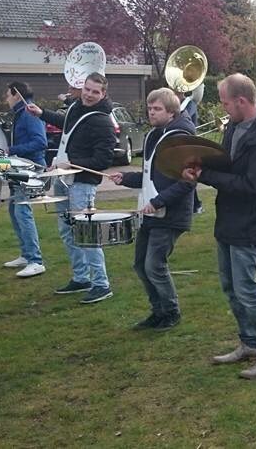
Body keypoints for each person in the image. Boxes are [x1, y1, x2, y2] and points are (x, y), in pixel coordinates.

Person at [182, 73, 256, 380]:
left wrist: (205, 177)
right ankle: (250, 343)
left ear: (241, 101)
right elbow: (227, 164)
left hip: (250, 223)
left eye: (226, 102)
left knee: (248, 290)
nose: (224, 108)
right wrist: (196, 161)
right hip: (228, 219)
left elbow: (251, 186)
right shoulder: (234, 128)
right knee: (231, 288)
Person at [109, 88, 196, 331]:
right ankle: (157, 312)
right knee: (140, 264)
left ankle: (171, 312)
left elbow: (187, 183)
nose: (151, 113)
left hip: (169, 214)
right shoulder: (155, 135)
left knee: (154, 265)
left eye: (157, 109)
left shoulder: (181, 137)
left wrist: (158, 202)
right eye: (149, 108)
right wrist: (125, 178)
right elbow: (150, 176)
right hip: (150, 212)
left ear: (171, 111)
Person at [26, 72, 117, 304]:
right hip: (62, 177)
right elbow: (67, 123)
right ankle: (81, 277)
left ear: (103, 94)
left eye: (94, 91)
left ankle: (101, 283)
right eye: (87, 89)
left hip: (83, 184)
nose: (88, 94)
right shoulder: (77, 107)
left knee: (86, 233)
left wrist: (74, 164)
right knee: (67, 231)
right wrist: (42, 114)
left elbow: (103, 161)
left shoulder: (104, 121)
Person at [1, 81, 48, 278]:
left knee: (22, 211)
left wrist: (11, 151)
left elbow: (40, 142)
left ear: (16, 94)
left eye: (8, 94)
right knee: (14, 210)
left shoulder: (28, 113)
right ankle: (26, 254)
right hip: (19, 168)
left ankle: (36, 261)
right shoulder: (21, 113)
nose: (6, 98)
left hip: (30, 170)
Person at [177, 89, 203, 215]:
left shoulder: (189, 104)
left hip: (189, 144)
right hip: (179, 145)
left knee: (189, 176)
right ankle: (196, 205)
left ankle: (196, 205)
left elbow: (186, 116)